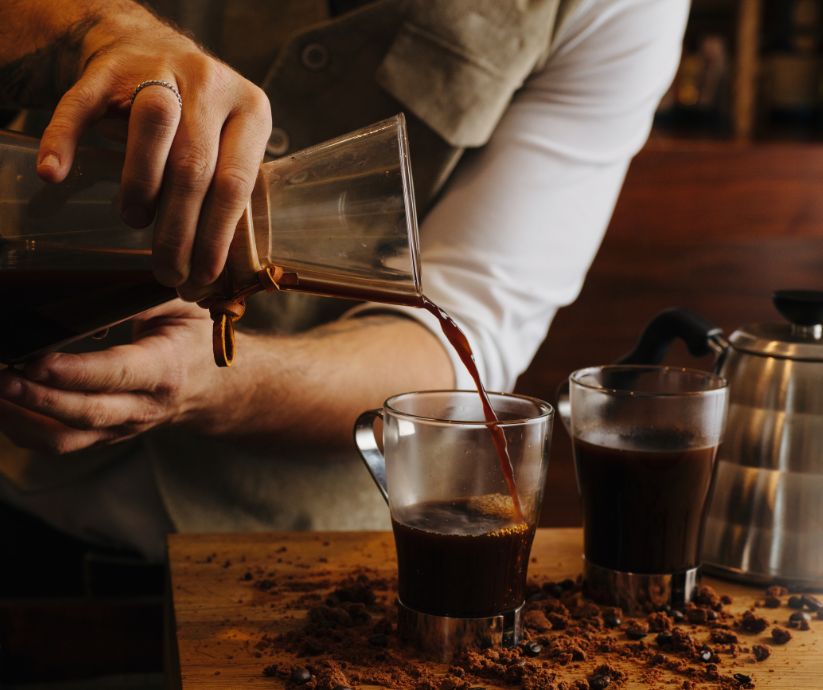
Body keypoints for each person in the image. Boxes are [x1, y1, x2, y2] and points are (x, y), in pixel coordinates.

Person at [0, 0, 689, 563]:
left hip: (305, 568)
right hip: (28, 516)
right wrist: (104, 30)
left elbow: (460, 330)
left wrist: (206, 381)